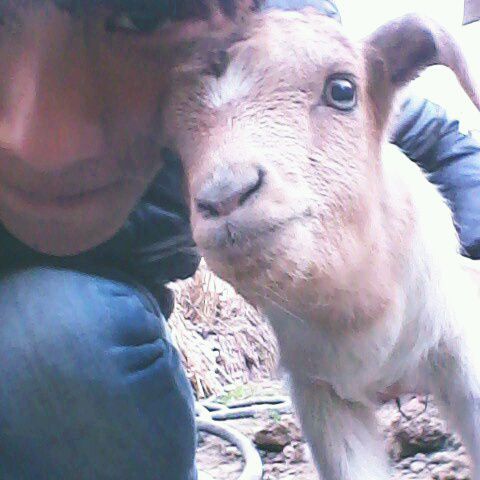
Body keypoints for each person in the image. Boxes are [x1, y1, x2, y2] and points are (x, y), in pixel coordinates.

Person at [0, 1, 479, 480]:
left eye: (143, 18)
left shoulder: (259, 47)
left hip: (399, 282)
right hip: (299, 343)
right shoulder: (162, 89)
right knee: (58, 332)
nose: (31, 144)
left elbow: (428, 131)